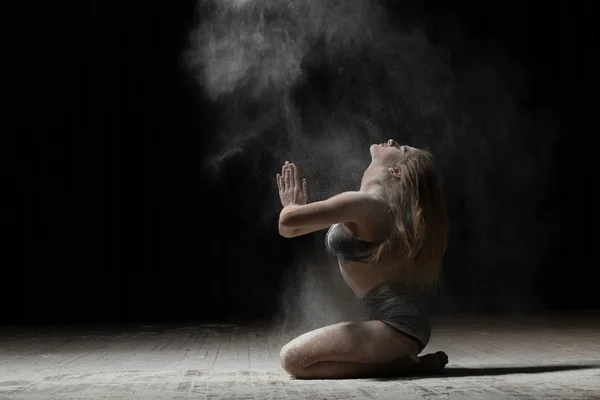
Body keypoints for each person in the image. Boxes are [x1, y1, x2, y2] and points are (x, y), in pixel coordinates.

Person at [275, 139, 450, 379]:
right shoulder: (370, 204)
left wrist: (291, 207)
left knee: (292, 359)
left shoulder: (366, 204)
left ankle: (411, 366)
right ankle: (407, 363)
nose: (392, 141)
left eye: (401, 149)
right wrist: (293, 212)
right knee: (296, 361)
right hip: (399, 326)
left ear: (396, 170)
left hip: (398, 328)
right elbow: (292, 228)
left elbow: (287, 222)